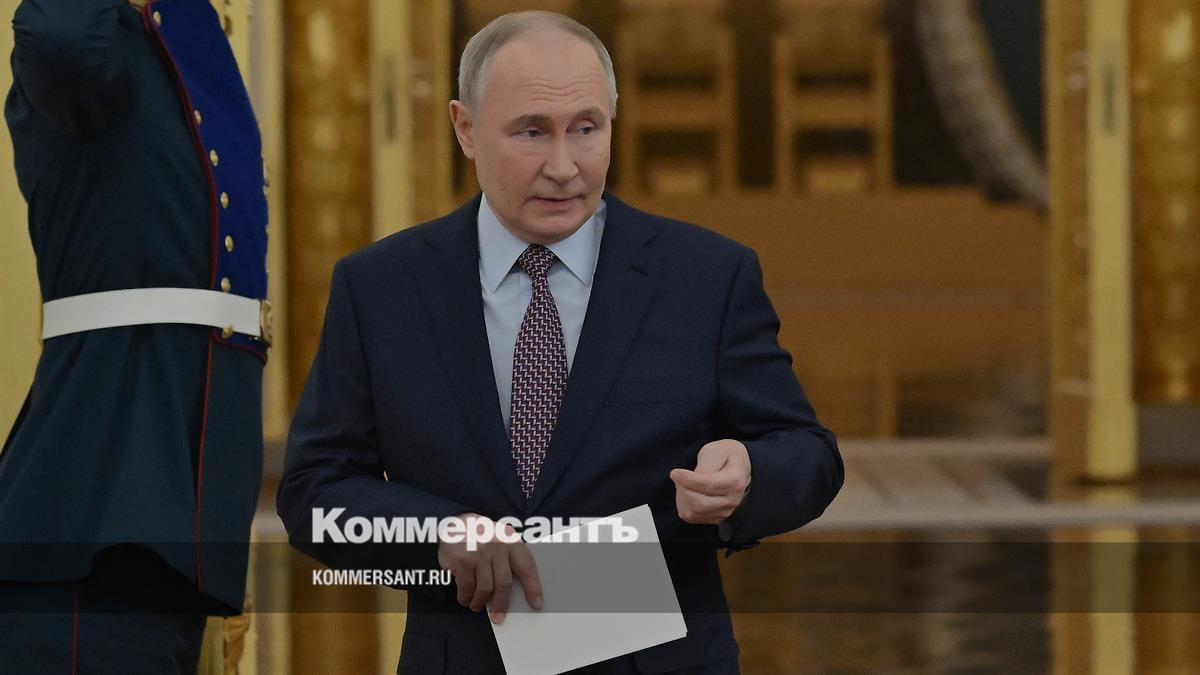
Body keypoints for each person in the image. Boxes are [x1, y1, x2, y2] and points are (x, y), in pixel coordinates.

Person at [277, 10, 842, 674]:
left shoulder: (706, 277)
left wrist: (747, 472)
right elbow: (316, 491)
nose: (564, 166)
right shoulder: (381, 288)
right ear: (464, 128)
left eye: (586, 128)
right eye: (531, 132)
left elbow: (808, 455)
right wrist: (437, 534)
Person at [0, 0, 270, 671]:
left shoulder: (188, 32)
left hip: (179, 533)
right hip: (93, 522)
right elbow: (59, 36)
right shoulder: (94, 41)